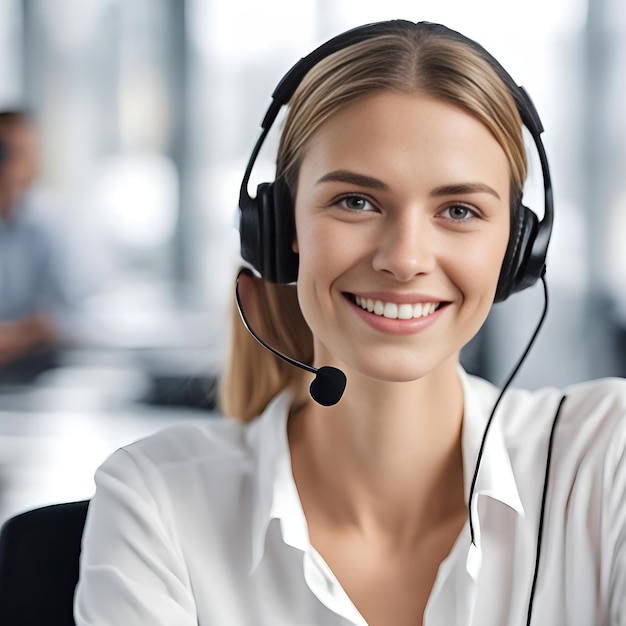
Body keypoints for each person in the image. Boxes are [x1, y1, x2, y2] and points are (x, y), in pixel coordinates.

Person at [74, 20, 626, 625]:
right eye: (355, 202)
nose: (405, 258)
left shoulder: (603, 461)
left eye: (460, 210)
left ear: (519, 250)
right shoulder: (159, 501)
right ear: (281, 231)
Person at [0, 110, 79, 384]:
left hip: (36, 371)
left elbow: (62, 316)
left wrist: (17, 335)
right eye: (8, 152)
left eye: (26, 153)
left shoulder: (49, 223)